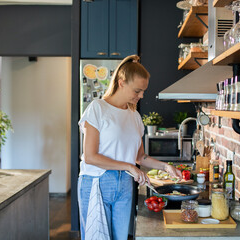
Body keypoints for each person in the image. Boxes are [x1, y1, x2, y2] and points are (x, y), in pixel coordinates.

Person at [77, 55, 182, 240]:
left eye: (143, 91)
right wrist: (128, 167)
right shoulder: (97, 108)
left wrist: (166, 167)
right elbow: (90, 157)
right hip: (97, 182)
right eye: (137, 90)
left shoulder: (134, 116)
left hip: (125, 183)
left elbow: (140, 157)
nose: (141, 96)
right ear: (121, 83)